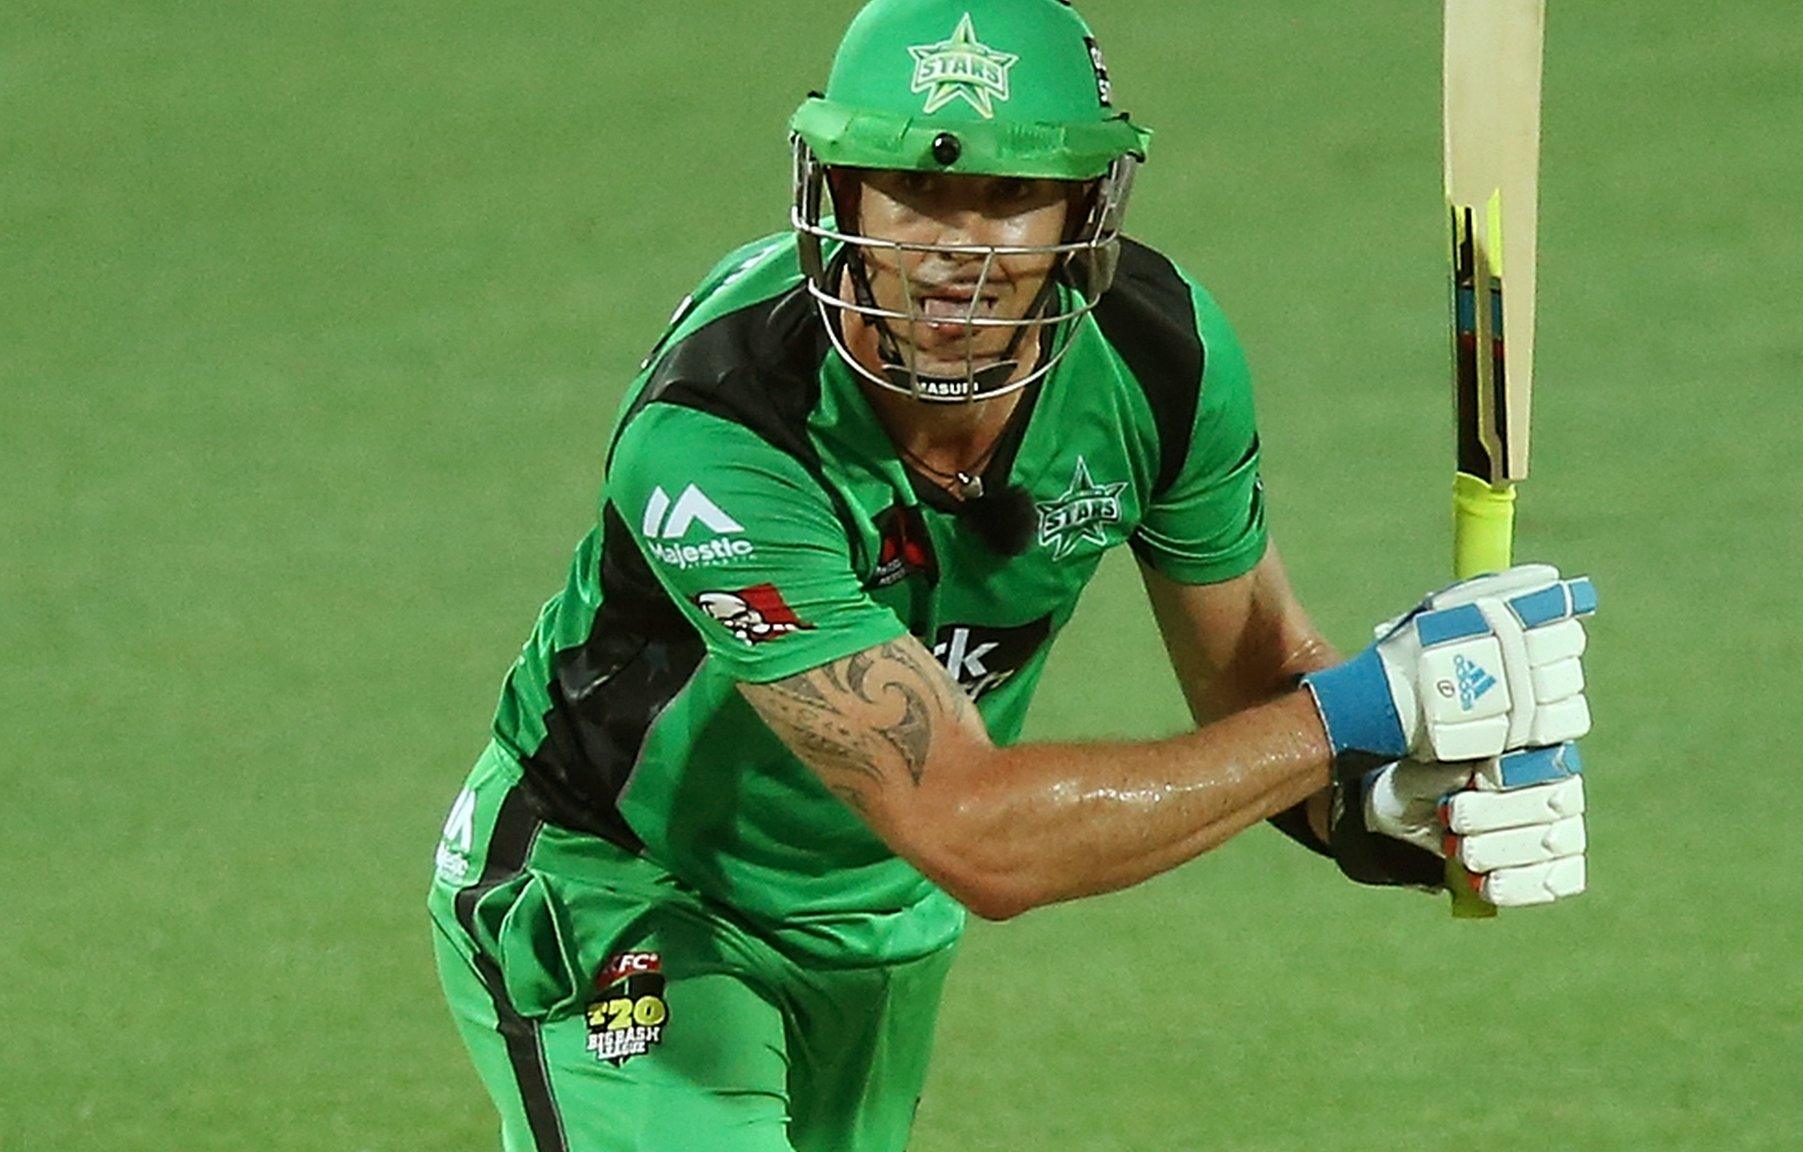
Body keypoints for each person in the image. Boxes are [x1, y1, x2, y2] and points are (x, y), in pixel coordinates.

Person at [426, 2, 1599, 1149]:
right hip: (623, 889)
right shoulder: (726, 435)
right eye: (917, 190)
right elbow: (973, 832)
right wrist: (1364, 707)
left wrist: (1392, 805)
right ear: (838, 193)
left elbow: (1256, 686)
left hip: (879, 922)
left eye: (1009, 196)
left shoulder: (1158, 359)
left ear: (1082, 209)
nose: (953, 251)